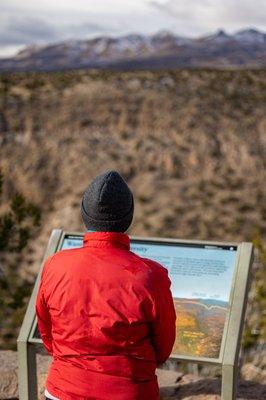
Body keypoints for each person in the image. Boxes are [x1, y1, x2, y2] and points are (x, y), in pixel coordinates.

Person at [36, 170, 176, 400]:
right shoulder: (151, 276)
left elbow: (46, 330)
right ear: (128, 217)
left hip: (63, 389)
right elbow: (163, 347)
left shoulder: (55, 265)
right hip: (130, 392)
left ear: (84, 214)